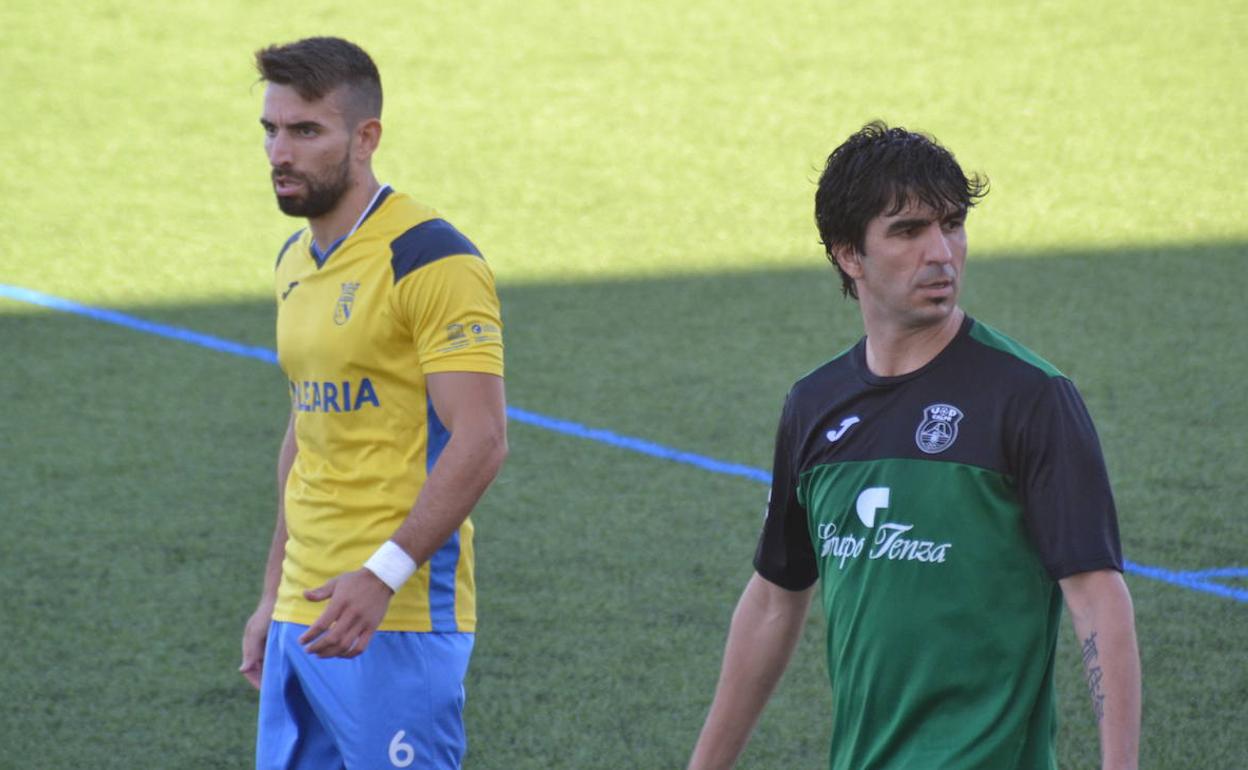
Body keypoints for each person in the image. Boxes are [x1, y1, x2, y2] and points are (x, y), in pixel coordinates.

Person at [688, 122, 1140, 770]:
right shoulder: (814, 405)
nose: (942, 253)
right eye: (908, 230)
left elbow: (1097, 596)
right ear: (850, 254)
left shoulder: (1031, 397)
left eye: (952, 224)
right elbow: (772, 599)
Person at [237, 37, 507, 770]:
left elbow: (482, 439)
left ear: (366, 138)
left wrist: (382, 575)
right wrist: (273, 596)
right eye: (270, 129)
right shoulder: (294, 262)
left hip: (399, 613)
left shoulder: (430, 257)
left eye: (305, 131)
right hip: (305, 612)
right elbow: (307, 435)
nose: (279, 153)